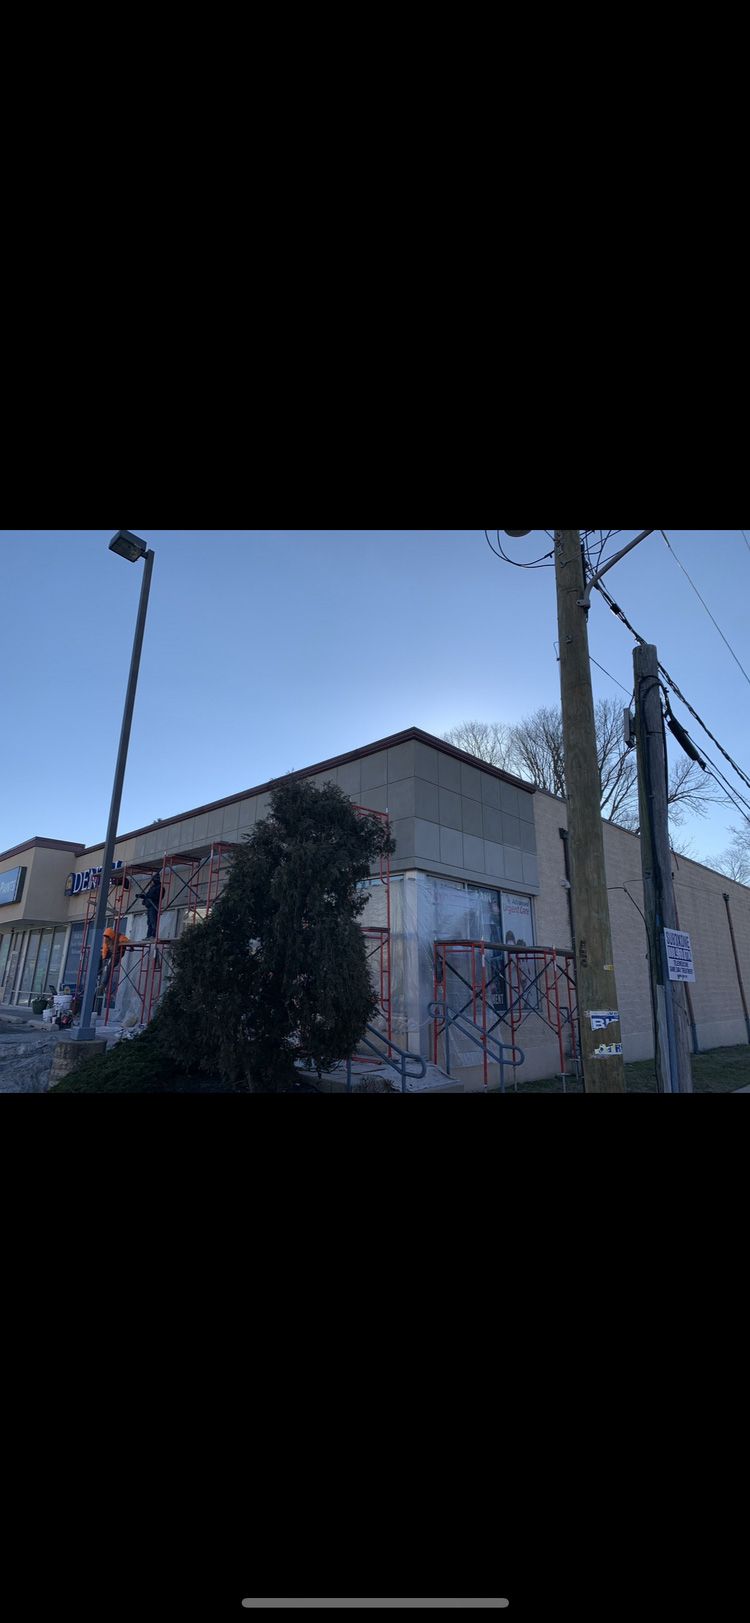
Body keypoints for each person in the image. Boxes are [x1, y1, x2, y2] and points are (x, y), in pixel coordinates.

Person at [142, 871, 165, 939]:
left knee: (153, 921)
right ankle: (149, 935)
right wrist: (143, 897)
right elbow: (148, 895)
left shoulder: (159, 887)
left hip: (154, 905)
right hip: (149, 905)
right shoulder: (152, 888)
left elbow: (158, 896)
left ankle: (153, 935)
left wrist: (149, 897)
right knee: (149, 921)